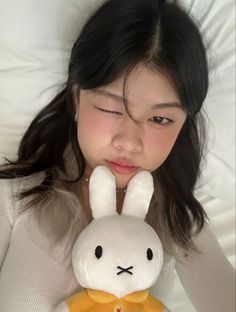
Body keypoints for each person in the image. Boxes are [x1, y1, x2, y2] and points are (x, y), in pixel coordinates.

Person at [0, 0, 234, 311]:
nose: (130, 142)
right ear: (76, 98)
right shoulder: (13, 201)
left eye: (160, 119)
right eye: (111, 109)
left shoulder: (179, 222)